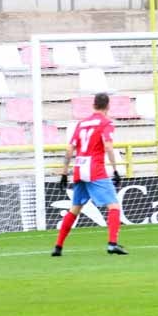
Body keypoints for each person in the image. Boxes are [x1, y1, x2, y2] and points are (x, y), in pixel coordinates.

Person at [52, 92, 127, 257]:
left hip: (79, 168)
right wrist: (115, 169)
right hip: (95, 169)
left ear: (93, 105)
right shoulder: (106, 123)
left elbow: (70, 149)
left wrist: (64, 173)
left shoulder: (82, 123)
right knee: (114, 206)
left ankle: (58, 246)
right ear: (108, 106)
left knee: (75, 208)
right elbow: (108, 147)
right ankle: (112, 244)